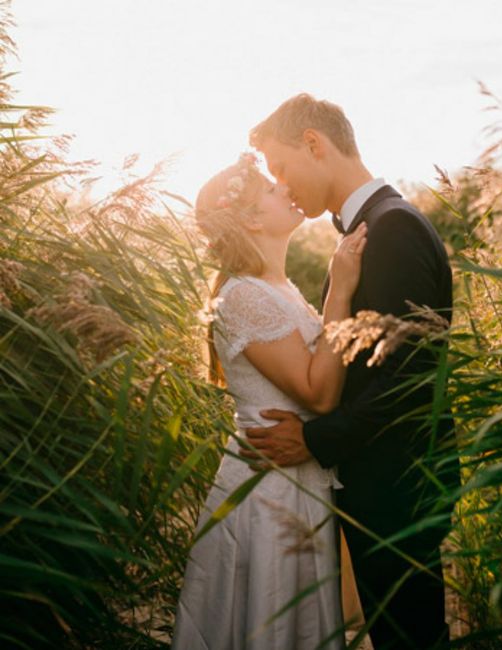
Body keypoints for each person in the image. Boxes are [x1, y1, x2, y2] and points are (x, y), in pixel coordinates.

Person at [244, 94, 460, 649]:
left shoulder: (393, 229)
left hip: (396, 489)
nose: (283, 186)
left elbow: (409, 380)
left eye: (282, 168)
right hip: (378, 484)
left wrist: (314, 439)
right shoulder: (372, 226)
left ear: (314, 144)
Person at [171, 152, 368, 650]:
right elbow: (319, 393)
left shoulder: (277, 288)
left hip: (296, 479)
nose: (287, 187)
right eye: (273, 188)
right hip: (268, 492)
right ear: (254, 218)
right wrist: (339, 293)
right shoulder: (242, 296)